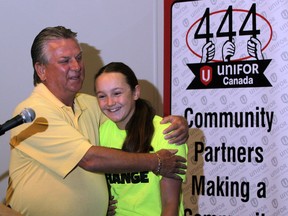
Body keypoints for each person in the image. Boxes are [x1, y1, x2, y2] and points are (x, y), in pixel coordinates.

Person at [5, 26, 188, 216]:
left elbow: (129, 114)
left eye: (78, 57)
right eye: (65, 61)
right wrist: (156, 162)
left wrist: (178, 122)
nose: (76, 66)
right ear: (41, 70)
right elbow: (89, 158)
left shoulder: (90, 104)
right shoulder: (33, 112)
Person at [95, 62, 187, 216]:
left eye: (117, 93)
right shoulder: (99, 133)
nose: (110, 103)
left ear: (136, 92)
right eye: (102, 96)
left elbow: (170, 204)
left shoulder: (167, 132)